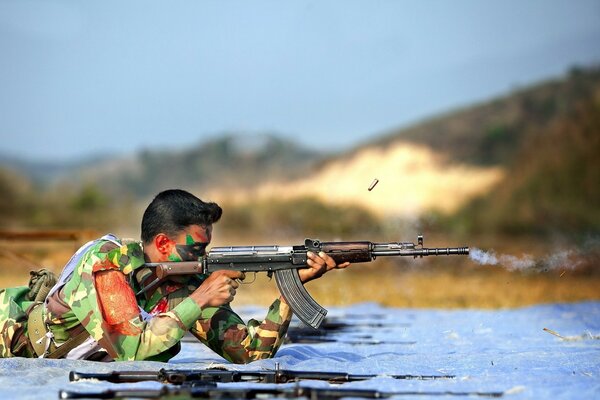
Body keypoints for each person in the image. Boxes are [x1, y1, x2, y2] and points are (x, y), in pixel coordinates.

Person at [0, 189, 349, 362]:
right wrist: (199, 300)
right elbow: (129, 347)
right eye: (196, 248)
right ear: (164, 243)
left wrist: (292, 289)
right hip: (10, 341)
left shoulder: (184, 286)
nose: (204, 257)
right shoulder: (107, 261)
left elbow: (250, 352)